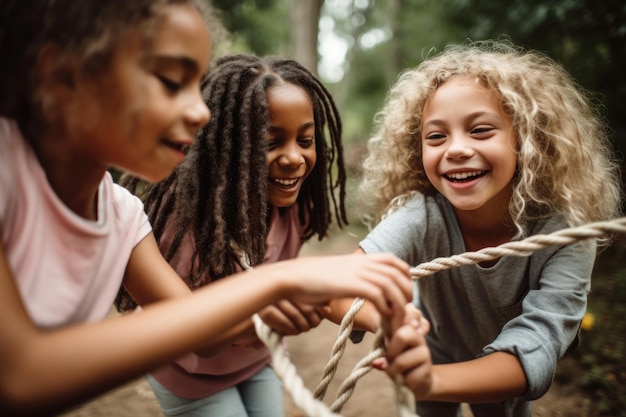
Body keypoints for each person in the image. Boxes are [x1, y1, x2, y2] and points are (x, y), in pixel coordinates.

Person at [0, 1, 415, 415]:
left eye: (196, 85)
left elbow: (195, 329)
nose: (201, 113)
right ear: (61, 74)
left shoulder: (123, 215)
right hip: (193, 383)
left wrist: (315, 303)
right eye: (170, 81)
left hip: (252, 364)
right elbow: (20, 376)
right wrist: (280, 283)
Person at [357, 40, 623, 417]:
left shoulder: (566, 235)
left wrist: (435, 380)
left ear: (527, 140)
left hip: (504, 366)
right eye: (436, 136)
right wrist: (387, 321)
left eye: (480, 130)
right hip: (433, 342)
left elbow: (538, 342)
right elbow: (346, 280)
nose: (456, 149)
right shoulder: (423, 215)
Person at [115, 53, 351, 417]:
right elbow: (202, 340)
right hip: (187, 374)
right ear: (226, 150)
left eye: (305, 140)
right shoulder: (187, 228)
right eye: (271, 142)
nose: (294, 158)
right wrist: (272, 310)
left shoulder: (295, 208)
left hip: (256, 360)